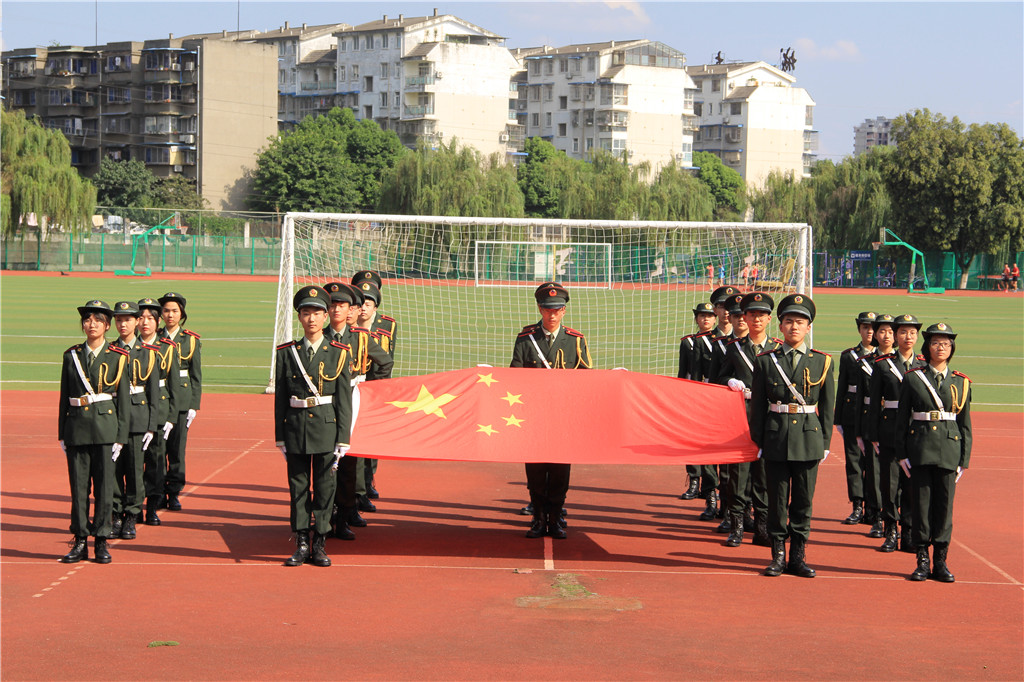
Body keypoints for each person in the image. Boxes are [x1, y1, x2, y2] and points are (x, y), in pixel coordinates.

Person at [748, 293, 834, 578]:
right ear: (781, 326)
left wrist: (825, 443)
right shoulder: (766, 361)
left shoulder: (822, 362)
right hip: (776, 438)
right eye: (788, 321)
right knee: (777, 499)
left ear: (809, 327)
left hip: (809, 439)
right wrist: (759, 440)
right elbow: (758, 406)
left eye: (799, 322)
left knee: (803, 501)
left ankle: (798, 556)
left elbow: (828, 407)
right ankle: (777, 556)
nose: (794, 327)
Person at [274, 285, 354, 567]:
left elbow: (344, 400)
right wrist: (280, 436)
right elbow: (281, 398)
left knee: (324, 488)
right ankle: (301, 543)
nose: (311, 319)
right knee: (298, 488)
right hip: (295, 428)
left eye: (317, 313)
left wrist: (343, 438)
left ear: (325, 317)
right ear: (299, 317)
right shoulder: (287, 352)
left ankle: (319, 544)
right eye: (306, 313)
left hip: (326, 428)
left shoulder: (339, 352)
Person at [510, 282, 592, 539]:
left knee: (559, 472)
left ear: (564, 310)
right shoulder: (526, 338)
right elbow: (515, 377)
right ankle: (538, 518)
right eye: (547, 309)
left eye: (557, 310)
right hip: (534, 418)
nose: (552, 315)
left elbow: (585, 379)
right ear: (540, 309)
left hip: (562, 418)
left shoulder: (575, 340)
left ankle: (555, 518)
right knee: (535, 471)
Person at [895, 323, 971, 583]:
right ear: (927, 347)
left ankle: (940, 560)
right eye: (936, 343)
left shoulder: (961, 382)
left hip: (949, 450)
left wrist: (964, 459)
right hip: (920, 449)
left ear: (952, 349)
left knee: (944, 508)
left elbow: (965, 424)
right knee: (921, 506)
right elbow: (901, 419)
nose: (941, 348)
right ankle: (921, 559)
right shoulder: (913, 378)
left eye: (946, 344)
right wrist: (902, 454)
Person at [58, 300, 131, 564]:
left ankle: (101, 540)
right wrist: (62, 432)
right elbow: (64, 396)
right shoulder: (72, 355)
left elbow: (123, 401)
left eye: (98, 321)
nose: (92, 325)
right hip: (77, 429)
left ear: (107, 326)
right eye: (88, 320)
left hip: (105, 430)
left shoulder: (118, 356)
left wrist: (121, 437)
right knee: (79, 490)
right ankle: (79, 540)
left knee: (104, 488)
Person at [323, 281, 393, 539]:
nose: (337, 310)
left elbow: (385, 361)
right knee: (324, 464)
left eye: (343, 305)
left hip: (352, 403)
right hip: (324, 404)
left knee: (348, 463)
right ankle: (324, 517)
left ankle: (344, 515)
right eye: (332, 305)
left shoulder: (361, 337)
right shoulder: (320, 335)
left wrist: (370, 390)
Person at [720, 292, 784, 547]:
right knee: (739, 472)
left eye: (761, 315)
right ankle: (736, 525)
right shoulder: (733, 348)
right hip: (741, 415)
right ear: (744, 317)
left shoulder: (778, 349)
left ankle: (762, 527)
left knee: (765, 473)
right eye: (752, 314)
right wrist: (729, 381)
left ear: (769, 319)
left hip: (769, 416)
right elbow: (718, 378)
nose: (756, 319)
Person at [866, 313, 925, 553]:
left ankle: (908, 531)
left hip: (915, 430)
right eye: (903, 332)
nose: (908, 337)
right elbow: (873, 402)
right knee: (889, 484)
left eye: (912, 332)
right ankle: (891, 530)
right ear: (895, 335)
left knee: (911, 484)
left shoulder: (923, 365)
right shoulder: (883, 364)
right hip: (889, 428)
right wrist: (873, 435)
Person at [110, 301, 160, 540]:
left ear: (137, 322)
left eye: (128, 320)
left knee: (134, 469)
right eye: (119, 320)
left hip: (137, 418)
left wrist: (151, 425)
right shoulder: (109, 350)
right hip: (112, 417)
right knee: (113, 470)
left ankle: (132, 514)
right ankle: (115, 513)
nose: (123, 324)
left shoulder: (148, 353)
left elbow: (153, 393)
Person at [353, 271, 397, 502]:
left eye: (368, 303)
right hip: (354, 389)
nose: (363, 307)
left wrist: (380, 388)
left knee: (373, 437)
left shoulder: (387, 325)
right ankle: (357, 487)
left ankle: (368, 480)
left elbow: (388, 359)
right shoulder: (347, 326)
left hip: (376, 389)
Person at [137, 297, 181, 527]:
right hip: (135, 411)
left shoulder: (168, 347)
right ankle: (134, 507)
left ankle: (153, 506)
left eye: (150, 318)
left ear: (158, 322)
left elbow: (174, 386)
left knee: (156, 463)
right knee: (133, 464)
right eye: (141, 317)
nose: (145, 322)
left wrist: (172, 417)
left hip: (160, 413)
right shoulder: (127, 347)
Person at [700, 286, 742, 524]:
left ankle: (730, 507)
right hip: (710, 403)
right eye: (722, 307)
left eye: (731, 308)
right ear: (715, 310)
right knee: (708, 455)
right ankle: (711, 499)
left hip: (740, 408)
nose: (726, 312)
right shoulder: (704, 341)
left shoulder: (747, 341)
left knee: (732, 463)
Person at [158, 292, 201, 512]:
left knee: (176, 450)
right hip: (160, 398)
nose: (170, 315)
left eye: (174, 311)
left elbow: (196, 375)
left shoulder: (190, 339)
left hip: (182, 401)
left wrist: (194, 405)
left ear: (181, 314)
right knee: (158, 450)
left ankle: (174, 492)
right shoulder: (154, 337)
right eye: (166, 311)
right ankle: (157, 491)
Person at [834, 312, 876, 527]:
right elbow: (842, 387)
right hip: (852, 414)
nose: (869, 331)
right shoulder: (849, 356)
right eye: (865, 327)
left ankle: (873, 508)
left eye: (873, 328)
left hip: (876, 415)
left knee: (875, 464)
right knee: (854, 461)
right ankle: (857, 505)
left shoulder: (887, 356)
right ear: (859, 329)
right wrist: (838, 419)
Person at [678, 301, 718, 501]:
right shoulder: (688, 342)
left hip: (714, 395)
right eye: (702, 316)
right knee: (692, 439)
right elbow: (683, 371)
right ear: (696, 319)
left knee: (711, 440)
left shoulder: (720, 341)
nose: (706, 319)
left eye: (709, 316)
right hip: (693, 395)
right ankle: (694, 480)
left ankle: (711, 484)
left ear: (715, 319)